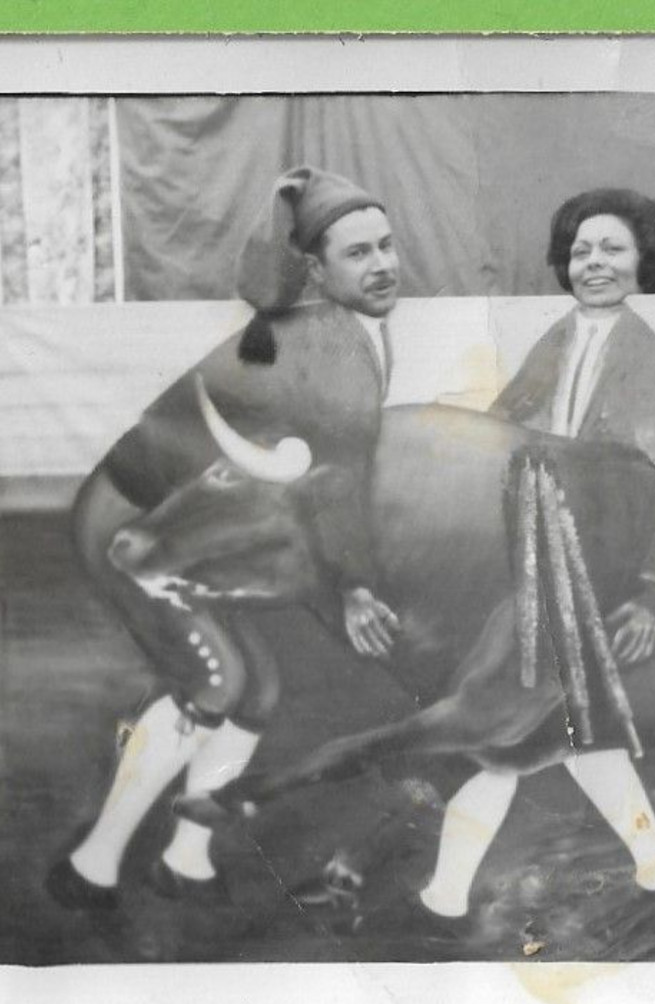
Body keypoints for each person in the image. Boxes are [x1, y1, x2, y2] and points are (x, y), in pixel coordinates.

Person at [46, 165, 406, 910]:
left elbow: (323, 480)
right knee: (216, 681)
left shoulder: (348, 332)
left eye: (385, 246)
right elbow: (335, 487)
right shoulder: (320, 345)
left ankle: (185, 856)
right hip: (135, 521)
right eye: (358, 253)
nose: (381, 265)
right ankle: (93, 864)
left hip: (203, 522)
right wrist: (355, 584)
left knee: (260, 686)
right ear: (316, 268)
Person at [408, 188, 655, 923]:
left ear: (645, 260)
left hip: (600, 567)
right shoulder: (557, 339)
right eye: (580, 249)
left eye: (611, 248)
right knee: (563, 730)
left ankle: (445, 896)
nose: (593, 262)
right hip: (540, 556)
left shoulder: (649, 355)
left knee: (521, 733)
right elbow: (502, 430)